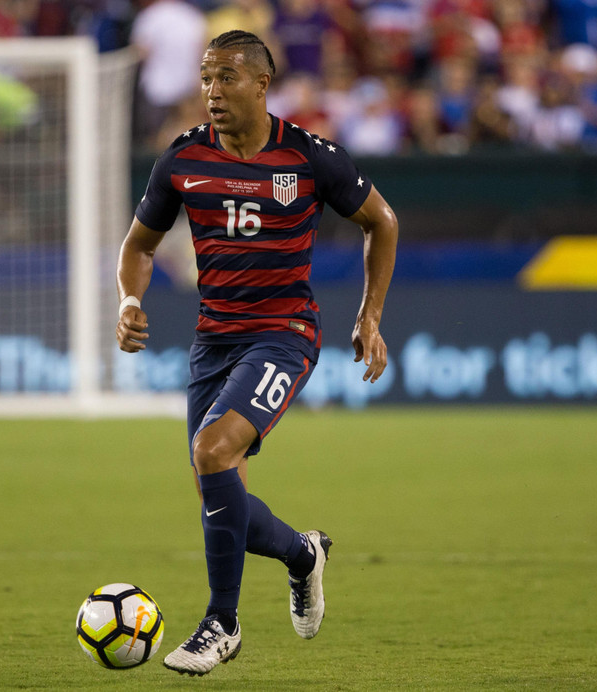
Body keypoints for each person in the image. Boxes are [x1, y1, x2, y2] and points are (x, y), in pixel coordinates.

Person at [115, 30, 398, 676]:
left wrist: (370, 314)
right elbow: (138, 246)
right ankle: (303, 555)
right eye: (207, 78)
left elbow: (382, 220)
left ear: (262, 84)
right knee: (222, 499)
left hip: (284, 334)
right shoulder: (183, 160)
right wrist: (129, 302)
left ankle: (223, 623)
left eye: (227, 77)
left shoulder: (309, 158)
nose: (213, 91)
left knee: (213, 451)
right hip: (213, 341)